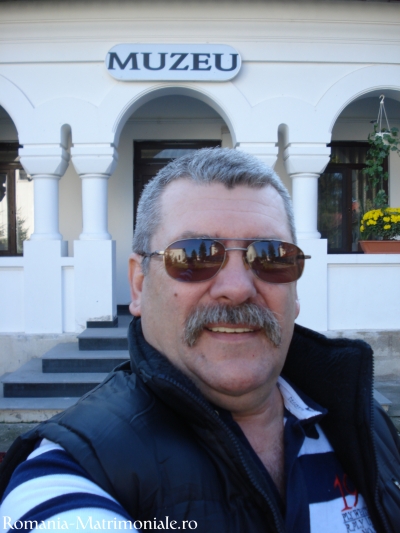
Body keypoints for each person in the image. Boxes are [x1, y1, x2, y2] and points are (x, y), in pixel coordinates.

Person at [1, 148, 399, 533]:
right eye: (194, 256)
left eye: (271, 255)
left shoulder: (365, 424)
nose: (237, 289)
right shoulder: (74, 469)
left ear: (295, 291)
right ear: (139, 285)